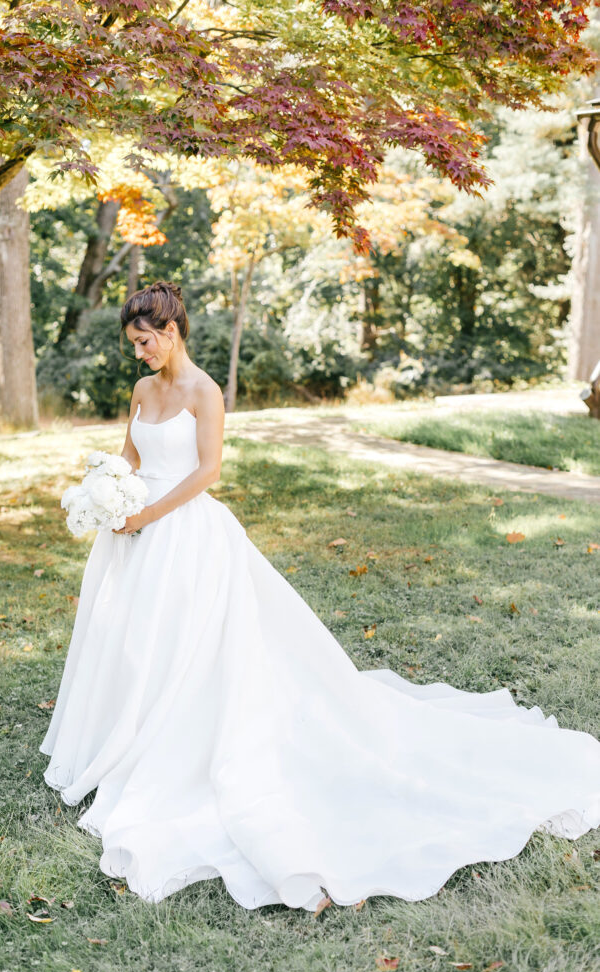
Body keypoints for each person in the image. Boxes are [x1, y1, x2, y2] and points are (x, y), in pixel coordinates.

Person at [39, 281, 600, 913]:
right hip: (135, 535)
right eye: (133, 344)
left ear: (170, 333)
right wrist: (112, 495)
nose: (138, 353)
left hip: (185, 533)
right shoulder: (142, 392)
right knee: (136, 644)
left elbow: (207, 472)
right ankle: (129, 733)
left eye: (144, 341)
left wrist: (148, 515)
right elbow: (129, 458)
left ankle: (177, 743)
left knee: (191, 649)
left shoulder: (205, 391)